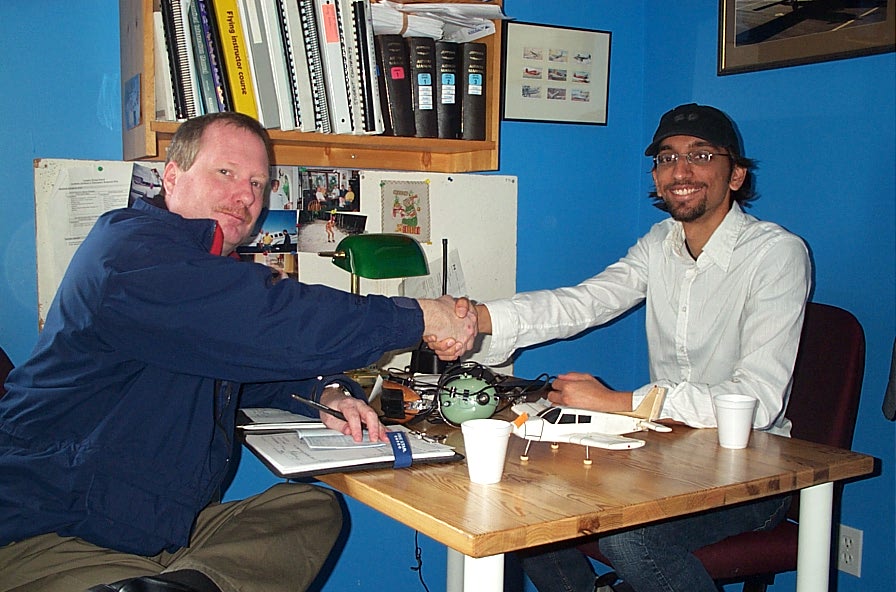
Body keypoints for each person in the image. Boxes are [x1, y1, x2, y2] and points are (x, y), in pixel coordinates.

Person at [0, 112, 477, 592]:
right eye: (225, 173)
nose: (247, 195)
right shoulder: (132, 252)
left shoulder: (198, 273)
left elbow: (253, 369)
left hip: (153, 527)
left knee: (310, 509)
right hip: (55, 528)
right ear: (171, 176)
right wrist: (420, 316)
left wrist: (327, 393)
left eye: (258, 183)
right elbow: (276, 322)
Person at [432, 103, 811, 592]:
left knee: (632, 543)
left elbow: (755, 399)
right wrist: (478, 320)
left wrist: (617, 403)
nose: (681, 171)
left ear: (735, 174)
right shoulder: (661, 243)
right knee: (522, 503)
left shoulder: (776, 254)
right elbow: (585, 302)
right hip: (673, 453)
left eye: (701, 155)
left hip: (756, 474)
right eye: (667, 158)